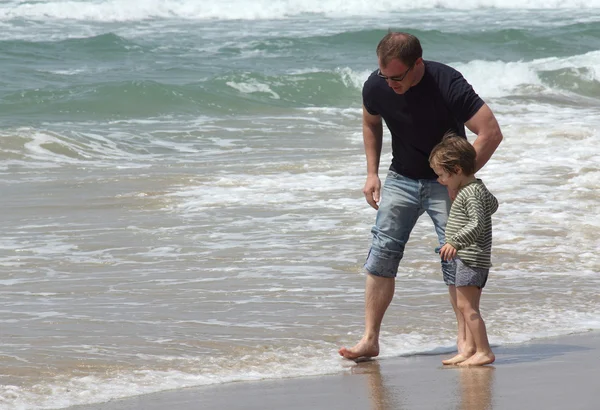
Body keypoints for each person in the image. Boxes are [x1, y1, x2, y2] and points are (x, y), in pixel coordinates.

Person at [338, 32, 503, 361]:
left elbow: (490, 132)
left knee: (457, 259)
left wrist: (459, 180)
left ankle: (466, 343)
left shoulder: (447, 83)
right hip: (401, 178)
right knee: (382, 253)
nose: (390, 84)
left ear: (418, 64)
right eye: (385, 76)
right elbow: (371, 123)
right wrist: (372, 173)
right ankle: (370, 339)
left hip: (445, 184)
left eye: (397, 77)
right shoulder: (377, 86)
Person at [429, 132, 498, 366]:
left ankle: (484, 351)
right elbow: (494, 204)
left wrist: (455, 242)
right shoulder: (476, 188)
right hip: (472, 257)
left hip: (470, 258)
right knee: (468, 306)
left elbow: (477, 223)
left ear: (457, 170)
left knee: (467, 307)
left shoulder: (470, 193)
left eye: (441, 175)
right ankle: (469, 348)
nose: (440, 181)